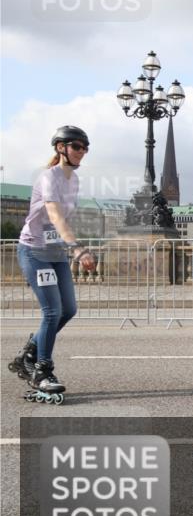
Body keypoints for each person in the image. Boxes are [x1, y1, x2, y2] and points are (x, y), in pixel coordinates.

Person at [8, 126, 97, 405]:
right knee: (52, 311)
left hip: (56, 253)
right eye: (77, 146)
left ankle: (28, 355)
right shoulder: (49, 178)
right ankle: (42, 371)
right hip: (35, 252)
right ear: (61, 147)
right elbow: (56, 218)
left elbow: (65, 224)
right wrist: (79, 249)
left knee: (68, 309)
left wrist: (69, 248)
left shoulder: (74, 180)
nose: (82, 151)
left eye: (85, 147)